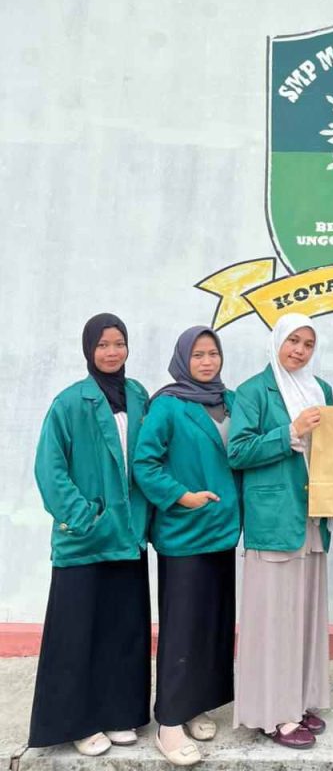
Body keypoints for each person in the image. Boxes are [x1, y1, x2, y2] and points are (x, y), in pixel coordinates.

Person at [28, 314, 151, 757]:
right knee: (77, 634)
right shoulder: (69, 403)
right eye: (102, 345)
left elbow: (148, 459)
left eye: (119, 343)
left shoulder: (138, 396)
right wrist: (84, 517)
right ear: (88, 350)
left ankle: (119, 712)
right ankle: (79, 722)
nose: (112, 352)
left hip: (128, 537)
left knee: (123, 630)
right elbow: (50, 469)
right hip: (86, 540)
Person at [134, 327, 241, 767]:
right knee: (182, 628)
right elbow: (145, 462)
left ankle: (196, 704)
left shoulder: (231, 400)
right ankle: (169, 723)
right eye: (197, 355)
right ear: (183, 359)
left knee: (212, 625)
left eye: (213, 353)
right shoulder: (168, 404)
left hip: (224, 530)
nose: (206, 362)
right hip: (185, 533)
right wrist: (182, 496)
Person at [227, 313, 333, 750]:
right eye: (293, 341)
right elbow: (238, 452)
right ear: (277, 342)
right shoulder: (253, 391)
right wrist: (289, 432)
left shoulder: (320, 390)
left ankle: (297, 702)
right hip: (273, 518)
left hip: (311, 518)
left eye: (308, 344)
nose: (300, 351)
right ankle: (272, 714)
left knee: (303, 616)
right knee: (273, 619)